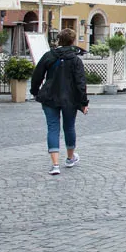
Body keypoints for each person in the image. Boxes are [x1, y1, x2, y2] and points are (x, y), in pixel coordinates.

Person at [29, 28, 89, 175]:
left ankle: (55, 164)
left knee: (53, 128)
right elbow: (81, 83)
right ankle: (69, 158)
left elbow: (37, 75)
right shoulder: (75, 60)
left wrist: (35, 92)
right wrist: (83, 102)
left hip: (49, 97)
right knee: (69, 127)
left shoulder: (49, 56)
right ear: (73, 41)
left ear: (58, 40)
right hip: (70, 99)